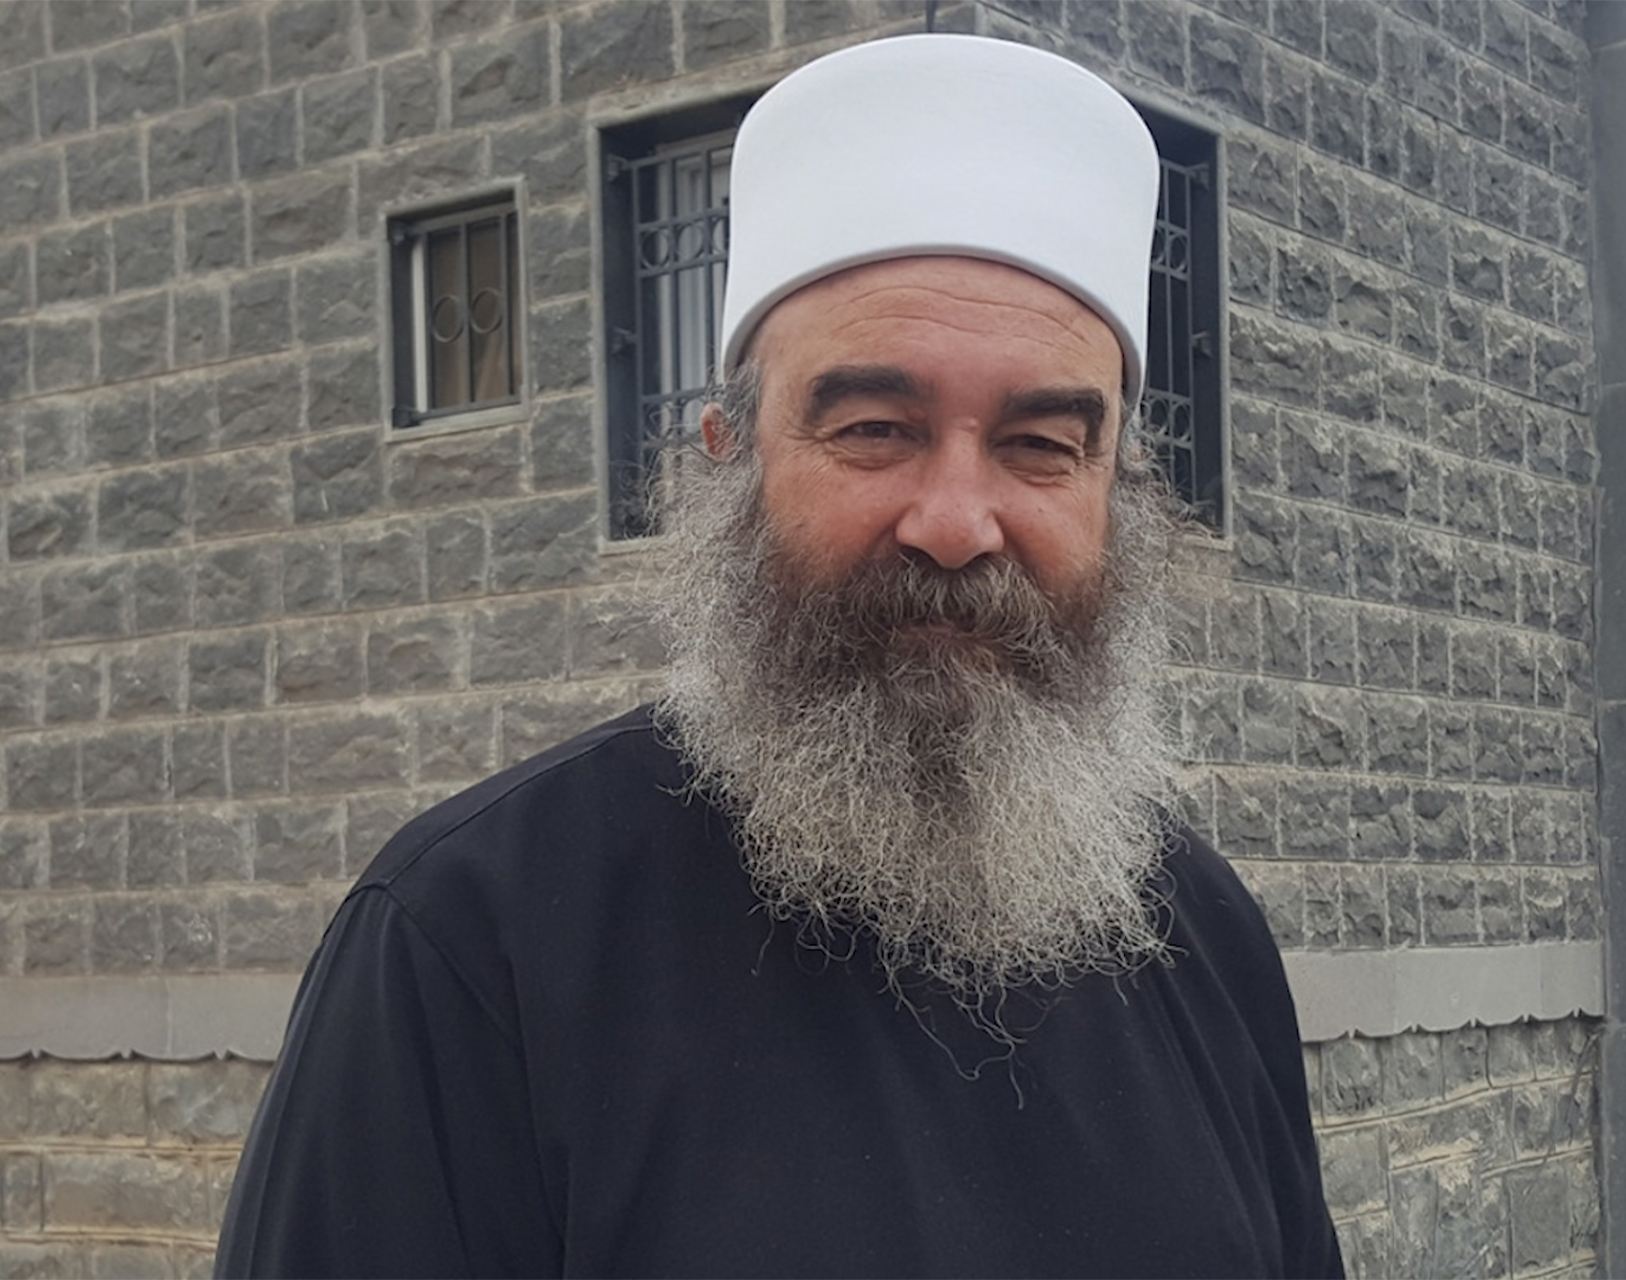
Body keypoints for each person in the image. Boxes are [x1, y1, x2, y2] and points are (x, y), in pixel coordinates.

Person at [215, 34, 1343, 1279]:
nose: (957, 524)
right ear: (730, 459)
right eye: (874, 428)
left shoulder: (1208, 936)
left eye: (1039, 445)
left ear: (1114, 494)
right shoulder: (470, 942)